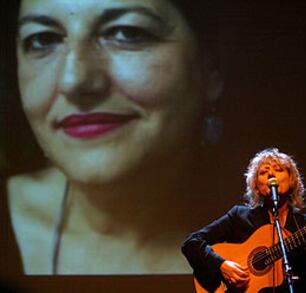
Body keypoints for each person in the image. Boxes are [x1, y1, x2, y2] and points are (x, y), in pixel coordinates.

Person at [4, 0, 225, 275]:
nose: (74, 80)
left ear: (211, 68)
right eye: (43, 39)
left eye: (127, 33)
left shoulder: (276, 242)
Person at [182, 147, 306, 292]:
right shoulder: (239, 216)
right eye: (263, 172)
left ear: (292, 180)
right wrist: (221, 265)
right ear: (256, 185)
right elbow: (192, 243)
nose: (271, 174)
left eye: (279, 169)